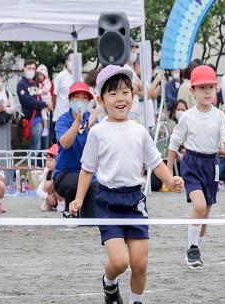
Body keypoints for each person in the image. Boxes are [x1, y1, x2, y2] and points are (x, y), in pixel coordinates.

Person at [69, 65, 183, 304]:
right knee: (120, 262)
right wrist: (78, 199)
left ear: (133, 95)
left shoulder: (140, 131)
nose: (120, 98)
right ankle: (109, 283)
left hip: (135, 202)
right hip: (108, 202)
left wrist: (171, 180)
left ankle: (135, 301)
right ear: (101, 99)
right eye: (113, 93)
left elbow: (156, 163)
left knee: (140, 264)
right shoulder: (97, 132)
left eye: (125, 92)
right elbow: (87, 169)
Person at [167, 65, 225, 269]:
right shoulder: (187, 116)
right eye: (201, 87)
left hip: (211, 164)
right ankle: (193, 249)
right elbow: (173, 143)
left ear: (216, 90)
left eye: (210, 87)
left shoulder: (220, 115)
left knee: (205, 215)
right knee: (199, 206)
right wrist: (168, 174)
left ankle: (195, 248)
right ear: (192, 91)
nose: (207, 92)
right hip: (191, 164)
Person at [54, 82, 99, 217]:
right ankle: (69, 210)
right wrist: (77, 123)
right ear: (70, 100)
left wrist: (90, 126)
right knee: (77, 182)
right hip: (65, 174)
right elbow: (65, 143)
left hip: (89, 175)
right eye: (76, 97)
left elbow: (101, 147)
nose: (80, 101)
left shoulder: (93, 121)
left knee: (93, 214)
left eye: (84, 98)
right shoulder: (62, 120)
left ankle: (85, 214)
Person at [17, 59, 50, 152]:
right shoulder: (21, 85)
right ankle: (33, 165)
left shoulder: (36, 83)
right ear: (24, 68)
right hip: (32, 119)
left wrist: (49, 103)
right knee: (36, 148)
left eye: (33, 68)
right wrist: (45, 104)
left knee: (45, 148)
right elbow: (29, 102)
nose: (31, 70)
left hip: (44, 117)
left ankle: (44, 166)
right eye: (29, 68)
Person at [52, 50, 75, 134]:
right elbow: (54, 95)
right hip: (60, 117)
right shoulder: (60, 77)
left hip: (74, 119)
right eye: (70, 60)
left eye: (74, 60)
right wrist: (55, 109)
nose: (72, 62)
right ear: (66, 62)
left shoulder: (79, 77)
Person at [38, 144, 60, 211]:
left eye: (50, 160)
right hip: (52, 197)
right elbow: (39, 190)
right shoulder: (46, 171)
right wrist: (47, 196)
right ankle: (48, 203)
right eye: (46, 160)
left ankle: (62, 204)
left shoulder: (62, 170)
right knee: (48, 184)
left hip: (61, 197)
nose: (47, 163)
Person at [36, 64, 54, 138]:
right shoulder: (41, 83)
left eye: (41, 74)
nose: (39, 76)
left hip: (47, 101)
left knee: (44, 112)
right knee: (45, 114)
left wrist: (39, 91)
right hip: (44, 101)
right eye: (38, 75)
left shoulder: (47, 82)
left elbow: (46, 89)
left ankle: (46, 128)